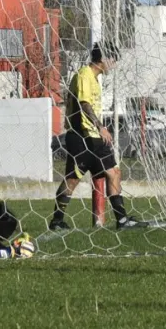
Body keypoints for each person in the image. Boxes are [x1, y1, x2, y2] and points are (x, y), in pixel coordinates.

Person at [48, 43, 142, 231]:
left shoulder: (94, 78)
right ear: (104, 59)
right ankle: (58, 220)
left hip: (90, 138)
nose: (114, 65)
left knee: (109, 173)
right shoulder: (85, 75)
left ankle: (121, 219)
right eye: (113, 60)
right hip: (84, 136)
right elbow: (84, 104)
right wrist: (100, 127)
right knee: (77, 179)